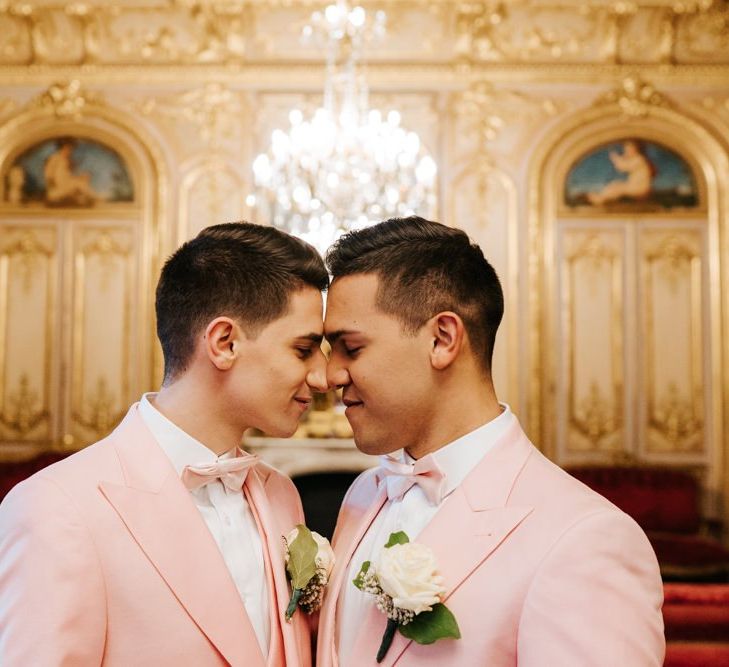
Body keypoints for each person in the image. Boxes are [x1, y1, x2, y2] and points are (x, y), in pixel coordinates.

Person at [317, 216, 664, 666]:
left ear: (442, 339)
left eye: (351, 347)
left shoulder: (585, 538)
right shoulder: (365, 495)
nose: (329, 375)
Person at [0, 222, 329, 666]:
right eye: (304, 349)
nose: (323, 376)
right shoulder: (57, 509)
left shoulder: (281, 495)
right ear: (224, 343)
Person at [587, 139, 656, 206]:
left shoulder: (639, 159)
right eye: (625, 148)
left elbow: (622, 166)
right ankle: (601, 197)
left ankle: (601, 199)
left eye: (628, 148)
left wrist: (614, 157)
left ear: (636, 149)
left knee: (616, 187)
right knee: (615, 185)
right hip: (635, 186)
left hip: (639, 188)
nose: (625, 150)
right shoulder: (637, 159)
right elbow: (625, 163)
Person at [43, 138, 97, 206]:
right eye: (68, 149)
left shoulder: (67, 159)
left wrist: (81, 177)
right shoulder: (55, 158)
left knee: (84, 177)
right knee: (79, 184)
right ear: (63, 147)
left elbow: (68, 176)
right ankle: (90, 198)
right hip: (59, 187)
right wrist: (52, 187)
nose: (70, 151)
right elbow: (48, 174)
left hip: (66, 184)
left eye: (71, 149)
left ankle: (83, 198)